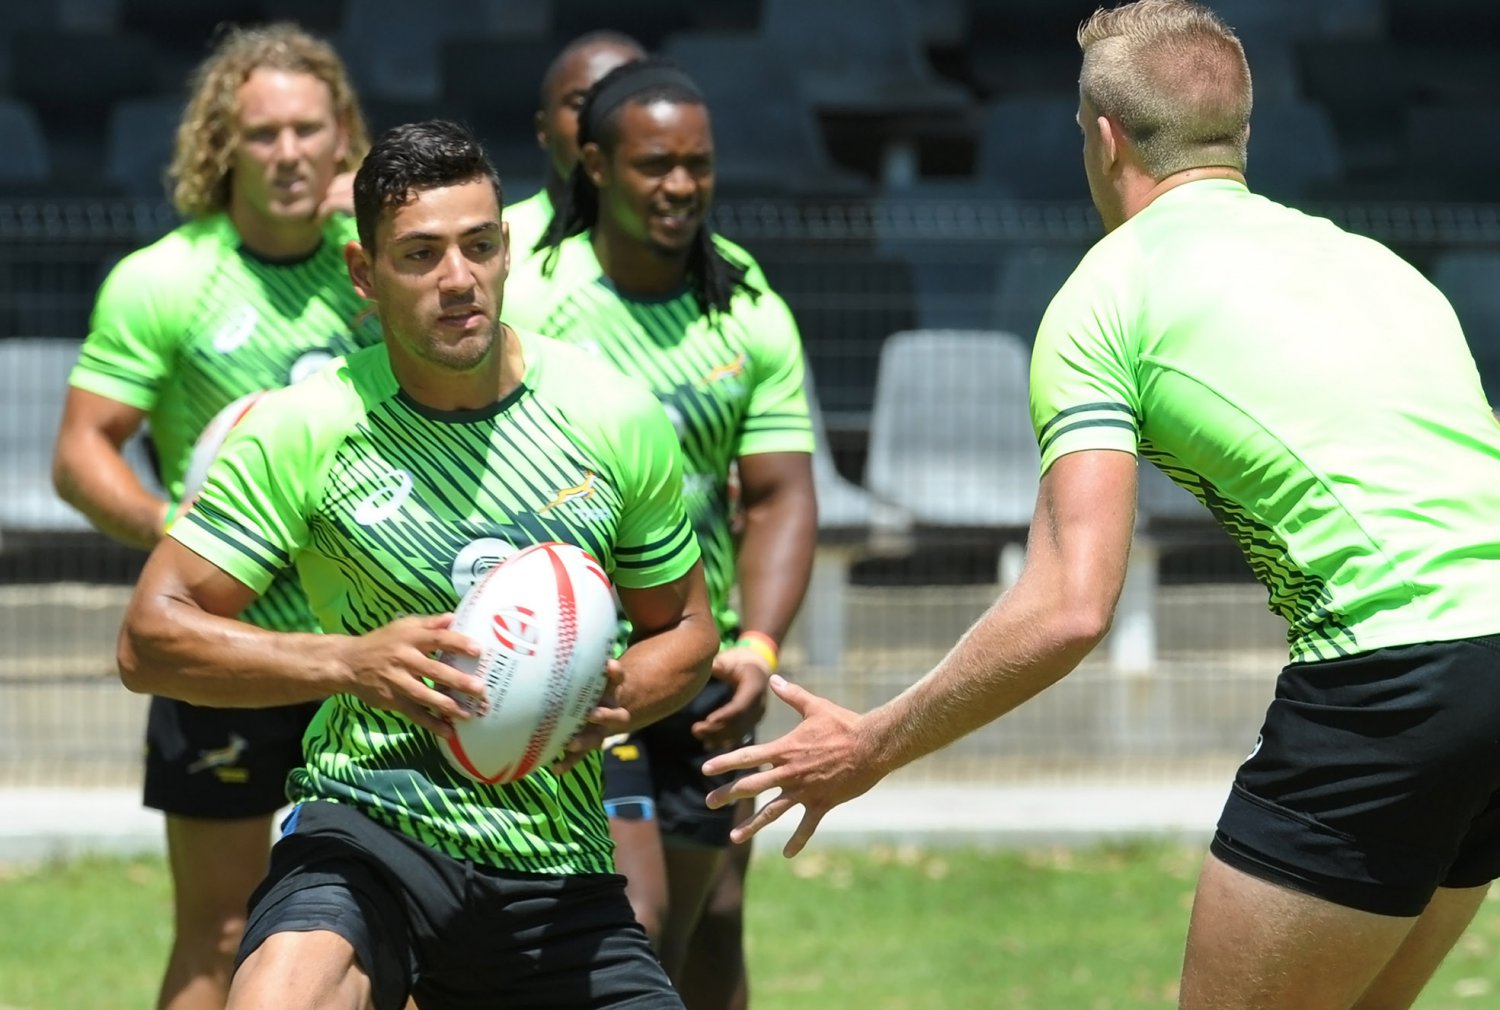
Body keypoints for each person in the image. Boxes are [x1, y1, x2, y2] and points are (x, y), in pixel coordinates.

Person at [703, 3, 1500, 1009]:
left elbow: (1070, 604)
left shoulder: (1106, 295)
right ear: (1241, 131)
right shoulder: (1378, 267)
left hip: (1391, 681)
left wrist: (873, 744)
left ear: (1106, 136)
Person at [116, 118, 721, 1010]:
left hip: (553, 862)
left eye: (479, 246)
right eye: (421, 255)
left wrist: (613, 695)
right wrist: (348, 662)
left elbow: (690, 628)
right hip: (366, 834)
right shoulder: (303, 426)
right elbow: (150, 638)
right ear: (364, 273)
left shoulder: (611, 415)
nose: (458, 278)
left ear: (506, 249)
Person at [52, 23, 376, 1010]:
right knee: (222, 928)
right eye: (263, 133)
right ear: (222, 144)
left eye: (308, 129)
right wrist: (171, 525)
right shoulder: (166, 279)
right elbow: (80, 451)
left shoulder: (381, 265)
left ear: (343, 135)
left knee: (394, 925)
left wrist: (375, 229)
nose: (288, 153)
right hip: (222, 649)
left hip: (371, 640)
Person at [506, 59, 817, 1010]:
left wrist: (758, 645)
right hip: (573, 661)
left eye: (698, 164)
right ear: (596, 166)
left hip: (699, 659)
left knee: (707, 919)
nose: (681, 185)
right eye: (655, 165)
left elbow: (780, 495)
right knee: (633, 917)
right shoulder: (531, 295)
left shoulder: (745, 304)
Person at [505, 30, 646, 258]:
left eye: (621, 104)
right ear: (543, 129)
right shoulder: (490, 244)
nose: (600, 120)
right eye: (580, 104)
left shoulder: (696, 258)